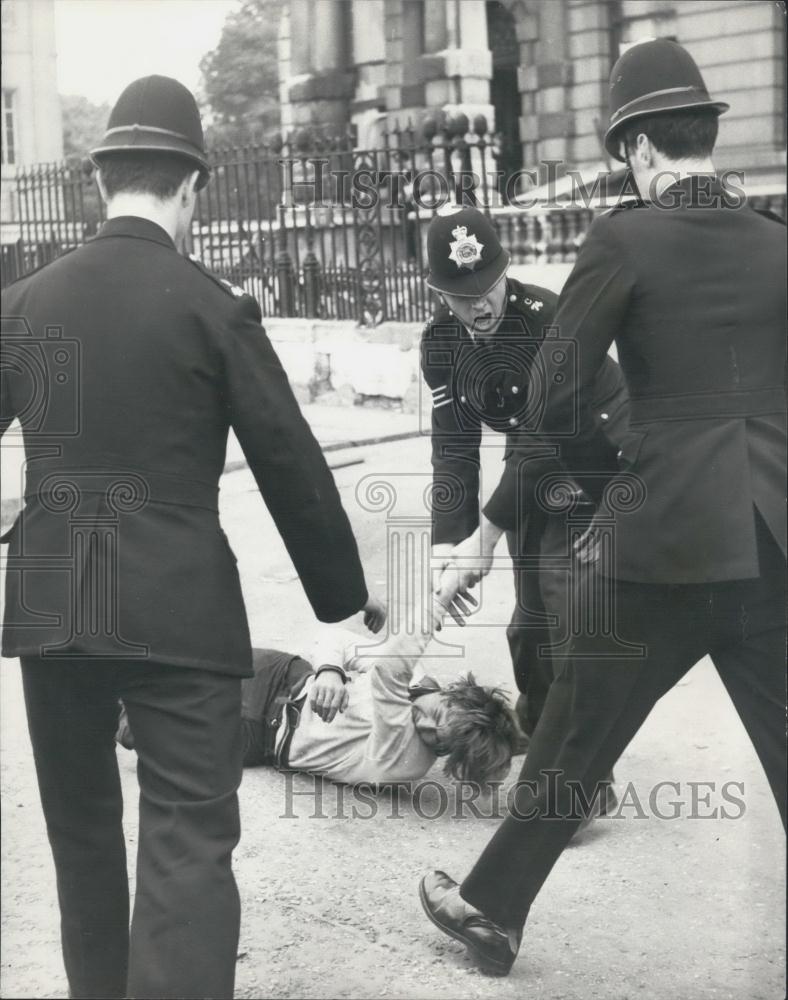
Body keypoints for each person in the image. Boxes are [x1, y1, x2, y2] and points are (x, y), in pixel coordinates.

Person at [0, 75, 383, 1000]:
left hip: (52, 597)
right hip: (179, 600)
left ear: (100, 182)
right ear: (191, 186)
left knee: (83, 833)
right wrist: (345, 593)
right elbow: (288, 458)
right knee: (188, 837)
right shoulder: (214, 306)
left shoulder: (24, 305)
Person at [419, 38, 786, 977]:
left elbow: (551, 399)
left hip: (662, 537)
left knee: (579, 718)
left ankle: (494, 913)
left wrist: (628, 466)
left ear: (637, 150)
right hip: (772, 537)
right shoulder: (779, 242)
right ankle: (491, 904)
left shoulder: (623, 237)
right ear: (706, 134)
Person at [420, 204, 629, 751]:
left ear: (505, 272)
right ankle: (541, 739)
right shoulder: (441, 344)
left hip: (595, 461)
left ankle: (581, 777)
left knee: (567, 615)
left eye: (489, 286)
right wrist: (449, 543)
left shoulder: (545, 318)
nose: (480, 303)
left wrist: (483, 539)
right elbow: (454, 445)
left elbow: (545, 441)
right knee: (528, 627)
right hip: (530, 462)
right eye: (462, 295)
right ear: (438, 294)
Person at [117, 574, 519, 787]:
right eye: (441, 713)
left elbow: (385, 669)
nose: (426, 724)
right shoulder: (419, 681)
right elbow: (337, 640)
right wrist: (331, 670)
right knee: (178, 657)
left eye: (441, 741)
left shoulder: (406, 761)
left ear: (448, 756)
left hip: (258, 735)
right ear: (451, 692)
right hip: (283, 675)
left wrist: (441, 598)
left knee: (141, 725)